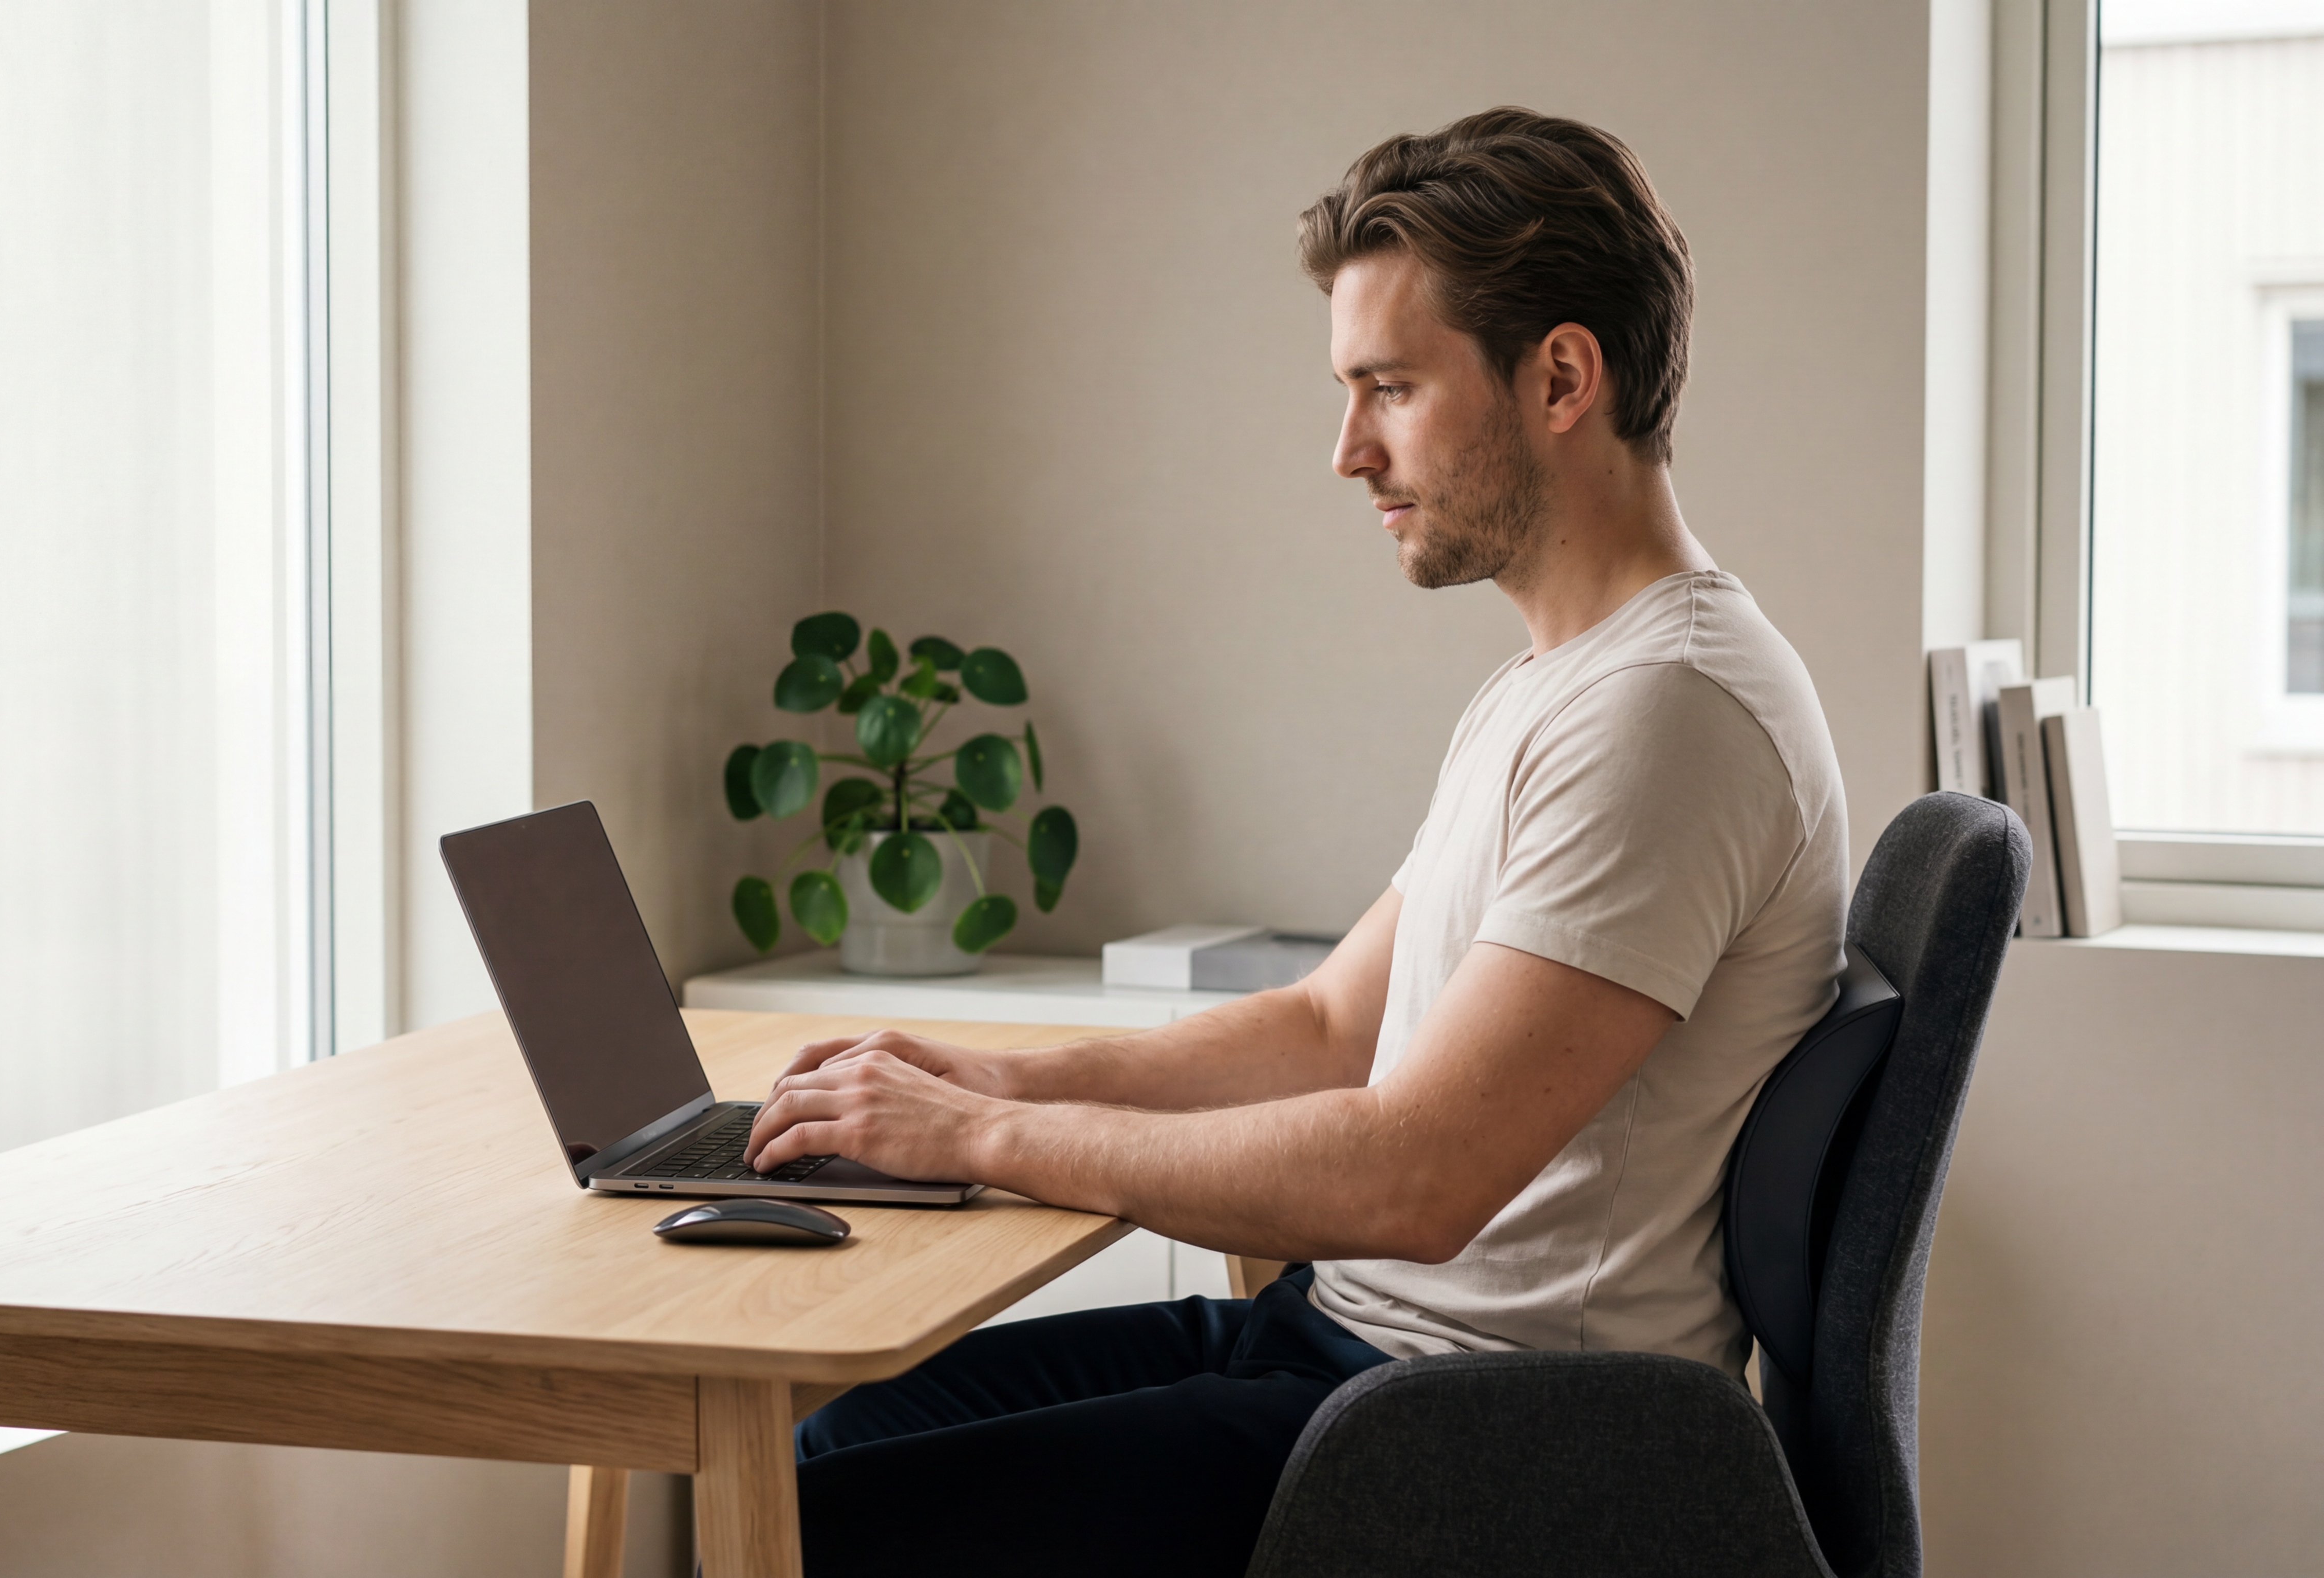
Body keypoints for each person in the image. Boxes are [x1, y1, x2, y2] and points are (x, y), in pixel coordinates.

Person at [745, 106, 1849, 1577]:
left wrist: (991, 1141)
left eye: (1390, 387)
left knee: (834, 1514)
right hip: (1350, 1341)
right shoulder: (1557, 684)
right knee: (828, 1445)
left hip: (1465, 1433)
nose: (1348, 451)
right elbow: (1331, 1026)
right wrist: (998, 1075)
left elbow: (1418, 1178)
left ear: (1562, 376)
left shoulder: (1671, 714)